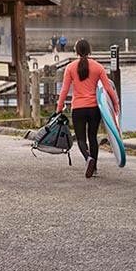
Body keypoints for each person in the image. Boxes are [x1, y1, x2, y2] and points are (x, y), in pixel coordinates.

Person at [56, 39, 120, 178]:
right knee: (92, 138)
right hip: (94, 109)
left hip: (78, 108)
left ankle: (88, 158)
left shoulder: (70, 67)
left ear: (76, 51)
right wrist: (116, 104)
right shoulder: (98, 67)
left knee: (80, 139)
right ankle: (94, 168)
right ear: (90, 51)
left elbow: (64, 90)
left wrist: (59, 107)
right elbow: (108, 88)